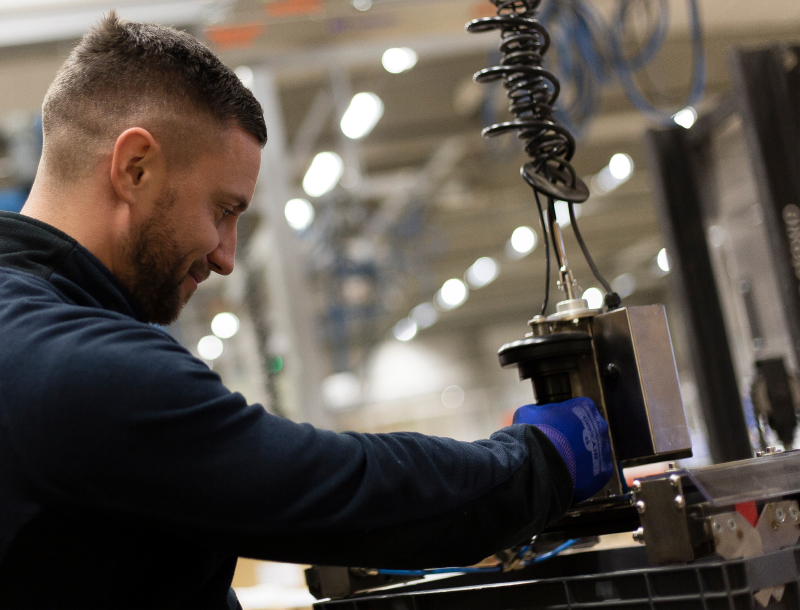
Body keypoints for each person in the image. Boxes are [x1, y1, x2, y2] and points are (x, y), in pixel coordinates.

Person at [0, 12, 613, 609]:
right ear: (136, 168)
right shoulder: (69, 362)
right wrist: (539, 462)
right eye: (222, 210)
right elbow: (336, 488)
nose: (226, 257)